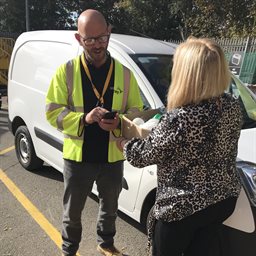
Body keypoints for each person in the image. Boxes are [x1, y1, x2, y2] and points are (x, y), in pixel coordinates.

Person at [122, 37, 243, 256]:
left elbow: (141, 156)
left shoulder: (181, 117)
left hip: (183, 208)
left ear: (186, 74)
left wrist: (124, 139)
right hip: (222, 200)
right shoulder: (232, 106)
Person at [45, 9, 143, 256]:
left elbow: (137, 111)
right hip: (78, 159)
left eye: (102, 38)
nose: (98, 45)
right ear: (79, 39)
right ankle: (69, 250)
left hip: (112, 158)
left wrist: (120, 122)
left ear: (109, 33)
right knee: (72, 212)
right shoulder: (66, 71)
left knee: (110, 208)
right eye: (90, 40)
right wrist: (84, 119)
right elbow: (52, 112)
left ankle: (105, 244)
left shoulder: (125, 73)